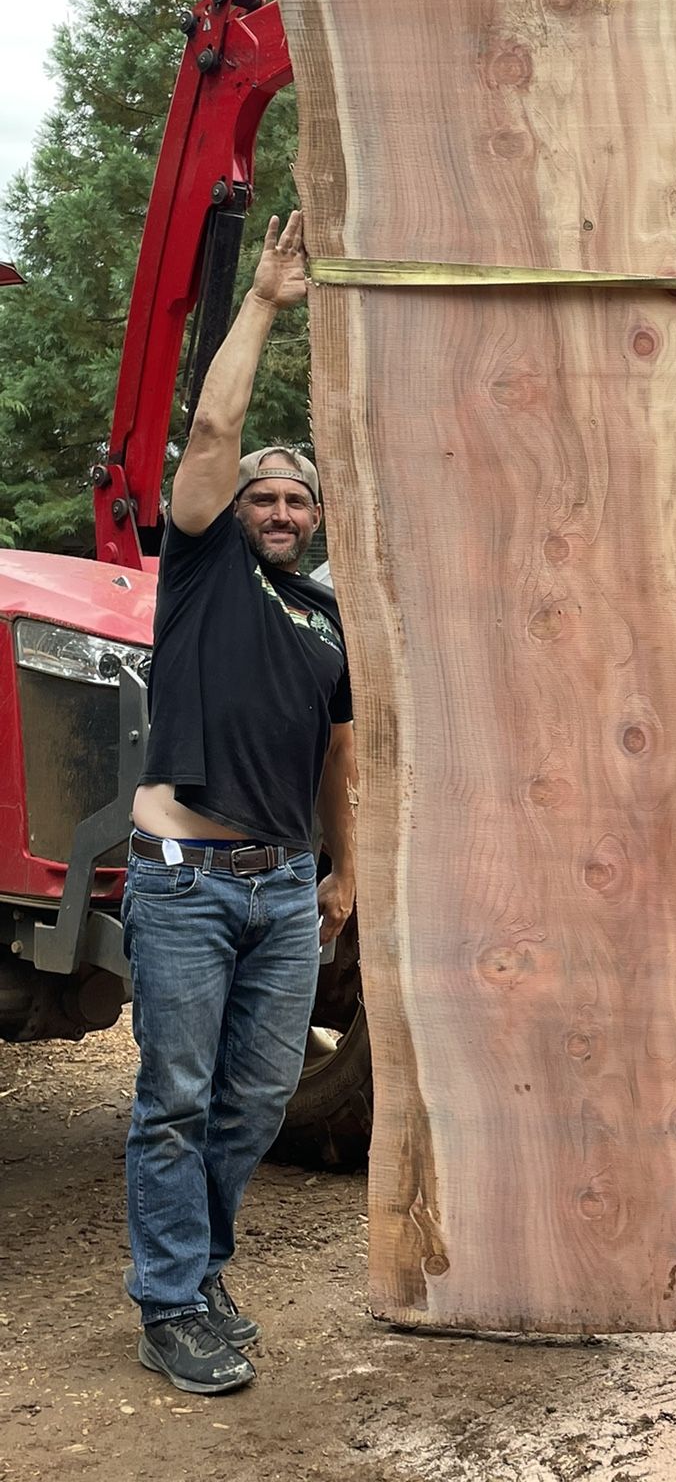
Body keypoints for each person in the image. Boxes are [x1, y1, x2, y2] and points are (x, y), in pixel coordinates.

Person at [123, 209, 356, 1396]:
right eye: (265, 497)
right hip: (185, 884)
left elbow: (338, 757)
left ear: (316, 522)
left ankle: (204, 1269)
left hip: (281, 889)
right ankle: (171, 1300)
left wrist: (343, 868)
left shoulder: (325, 622)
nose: (278, 512)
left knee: (254, 1103)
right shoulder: (202, 566)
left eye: (296, 504)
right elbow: (213, 425)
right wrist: (265, 302)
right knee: (174, 1097)